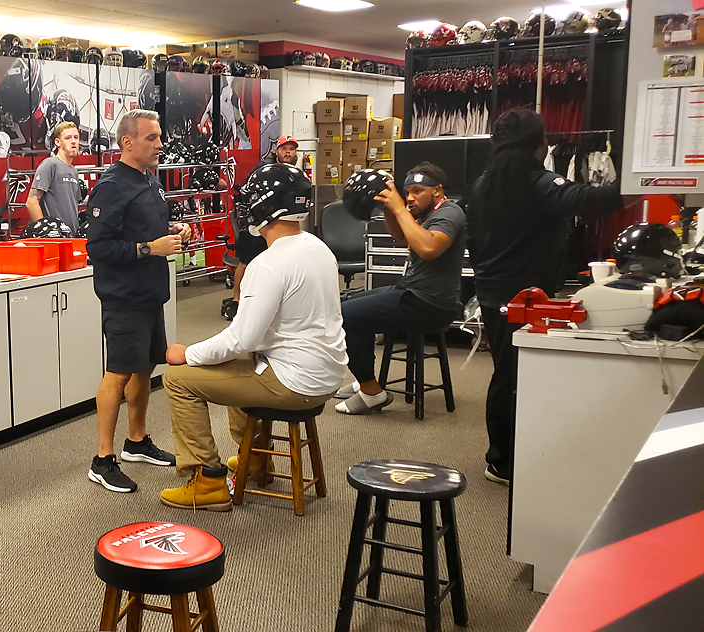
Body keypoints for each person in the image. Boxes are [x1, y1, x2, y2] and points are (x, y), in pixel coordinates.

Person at [160, 162, 346, 510]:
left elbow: (240, 340)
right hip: (327, 375)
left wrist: (188, 353)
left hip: (294, 384)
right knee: (239, 364)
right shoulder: (318, 248)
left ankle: (207, 480)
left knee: (177, 380)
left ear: (265, 206)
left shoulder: (268, 263)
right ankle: (257, 459)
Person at [467, 108, 622, 484]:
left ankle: (506, 453)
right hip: (523, 295)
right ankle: (501, 459)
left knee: (509, 372)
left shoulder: (484, 182)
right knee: (515, 375)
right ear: (540, 144)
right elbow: (587, 199)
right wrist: (639, 181)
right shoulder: (535, 180)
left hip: (492, 291)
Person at [85, 109, 192, 493]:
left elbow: (142, 229)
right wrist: (151, 247)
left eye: (160, 137)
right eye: (152, 138)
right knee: (119, 373)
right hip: (123, 297)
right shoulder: (112, 185)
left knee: (146, 367)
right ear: (128, 142)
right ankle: (102, 459)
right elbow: (98, 246)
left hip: (150, 294)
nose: (160, 144)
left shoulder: (149, 180)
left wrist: (172, 231)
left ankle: (137, 441)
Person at [335, 162, 466, 415]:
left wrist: (400, 208)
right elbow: (402, 237)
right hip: (411, 290)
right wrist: (389, 209)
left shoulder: (450, 213)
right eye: (407, 192)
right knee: (344, 308)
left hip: (430, 303)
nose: (410, 197)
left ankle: (371, 393)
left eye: (418, 191)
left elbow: (428, 249)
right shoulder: (425, 214)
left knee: (344, 317)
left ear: (437, 191)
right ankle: (367, 381)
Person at [223, 135, 298, 320]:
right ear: (276, 151)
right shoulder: (263, 169)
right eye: (284, 148)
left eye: (291, 149)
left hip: (279, 226)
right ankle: (237, 300)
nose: (288, 152)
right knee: (246, 261)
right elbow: (246, 192)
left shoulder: (293, 172)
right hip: (256, 223)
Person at [25, 120, 82, 231]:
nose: (73, 141)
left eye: (76, 137)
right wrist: (45, 231)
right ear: (57, 142)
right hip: (54, 240)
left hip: (71, 237)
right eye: (68, 138)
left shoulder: (74, 171)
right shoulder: (50, 165)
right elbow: (31, 202)